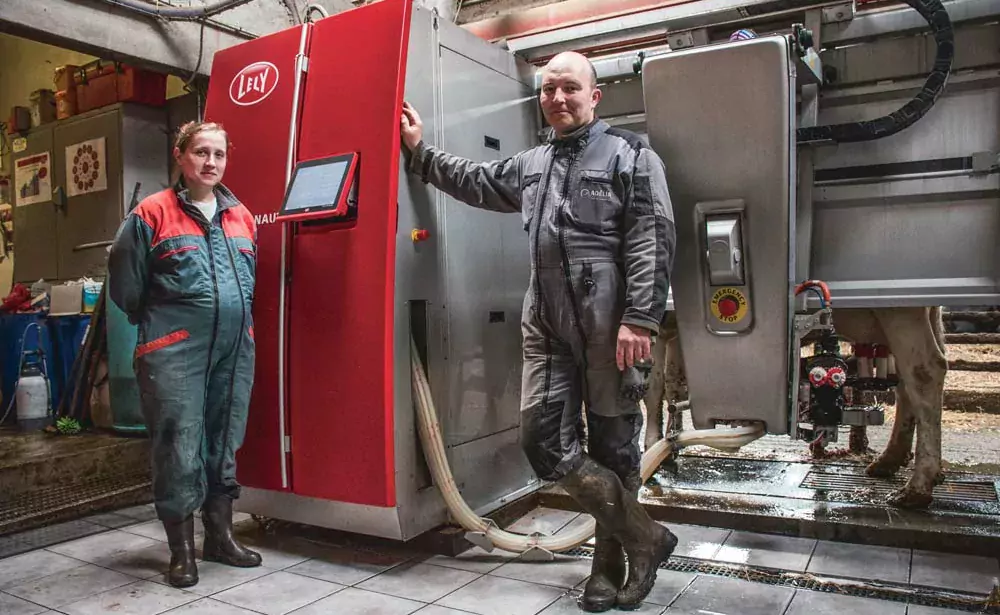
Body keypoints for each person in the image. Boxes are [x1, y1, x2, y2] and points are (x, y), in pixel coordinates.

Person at [400, 51, 678, 611]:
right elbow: (475, 181)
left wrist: (641, 318)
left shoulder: (632, 154)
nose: (557, 99)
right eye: (548, 90)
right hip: (547, 323)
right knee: (541, 439)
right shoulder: (532, 163)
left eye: (569, 88)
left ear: (594, 96)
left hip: (610, 324)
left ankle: (609, 567)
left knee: (615, 448)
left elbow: (653, 234)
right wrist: (418, 152)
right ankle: (646, 537)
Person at [108, 121, 261, 588]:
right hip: (174, 351)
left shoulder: (243, 217)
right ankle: (181, 551)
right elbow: (126, 285)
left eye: (219, 154)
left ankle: (220, 537)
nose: (210, 162)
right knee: (178, 446)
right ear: (180, 156)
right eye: (201, 152)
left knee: (223, 440)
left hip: (234, 350)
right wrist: (163, 327)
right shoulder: (150, 214)